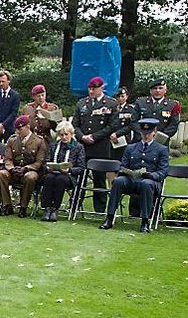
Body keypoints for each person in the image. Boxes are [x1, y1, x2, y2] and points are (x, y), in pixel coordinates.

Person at [100, 118, 169, 233]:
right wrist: (125, 171)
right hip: (132, 179)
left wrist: (152, 175)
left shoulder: (161, 149)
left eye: (148, 133)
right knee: (118, 181)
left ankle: (145, 221)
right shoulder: (131, 148)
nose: (146, 136)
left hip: (150, 181)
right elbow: (123, 165)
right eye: (143, 133)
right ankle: (109, 217)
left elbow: (163, 171)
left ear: (154, 132)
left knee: (145, 184)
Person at [73, 76, 119, 213]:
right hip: (83, 146)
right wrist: (82, 136)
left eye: (94, 89)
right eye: (90, 89)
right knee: (80, 176)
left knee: (99, 178)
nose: (91, 91)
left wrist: (94, 136)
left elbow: (112, 126)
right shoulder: (82, 103)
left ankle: (99, 208)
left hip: (100, 146)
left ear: (101, 88)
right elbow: (75, 124)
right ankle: (75, 203)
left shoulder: (110, 104)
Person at [0, 115, 46, 217]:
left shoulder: (39, 141)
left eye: (20, 129)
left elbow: (39, 162)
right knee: (1, 174)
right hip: (14, 170)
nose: (18, 132)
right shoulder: (12, 140)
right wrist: (11, 168)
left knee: (30, 177)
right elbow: (7, 158)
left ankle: (23, 207)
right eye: (17, 129)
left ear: (28, 126)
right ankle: (7, 205)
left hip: (30, 170)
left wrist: (26, 168)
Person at [39, 121, 85, 222]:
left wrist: (69, 170)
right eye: (61, 135)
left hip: (68, 176)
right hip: (53, 173)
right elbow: (46, 161)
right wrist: (48, 167)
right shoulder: (54, 145)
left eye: (66, 134)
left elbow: (81, 168)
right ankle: (47, 209)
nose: (64, 137)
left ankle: (55, 208)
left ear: (71, 134)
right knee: (49, 178)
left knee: (60, 179)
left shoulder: (78, 147)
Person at [134, 79, 180, 143]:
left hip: (161, 143)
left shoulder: (172, 105)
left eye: (160, 88)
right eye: (155, 88)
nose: (157, 91)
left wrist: (159, 137)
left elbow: (174, 125)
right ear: (150, 91)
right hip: (140, 141)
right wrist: (144, 135)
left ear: (165, 90)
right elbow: (134, 121)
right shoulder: (140, 102)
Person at [110, 86, 140, 163]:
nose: (120, 98)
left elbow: (131, 125)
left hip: (124, 140)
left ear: (127, 96)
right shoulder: (111, 108)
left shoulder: (131, 109)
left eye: (122, 96)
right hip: (111, 139)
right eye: (118, 96)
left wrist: (117, 134)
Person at [0, 69, 20, 138]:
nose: (1, 84)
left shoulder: (15, 95)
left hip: (9, 128)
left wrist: (2, 125)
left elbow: (13, 113)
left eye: (3, 81)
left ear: (8, 81)